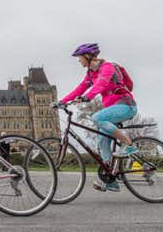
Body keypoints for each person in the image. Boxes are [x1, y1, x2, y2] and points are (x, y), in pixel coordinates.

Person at [57, 43, 138, 192]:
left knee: (97, 118)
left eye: (80, 58)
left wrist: (87, 98)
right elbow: (80, 88)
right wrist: (62, 101)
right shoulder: (90, 74)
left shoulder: (107, 67)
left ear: (88, 56)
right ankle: (111, 179)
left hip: (126, 105)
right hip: (112, 109)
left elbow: (101, 84)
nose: (79, 61)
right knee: (102, 140)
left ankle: (129, 145)